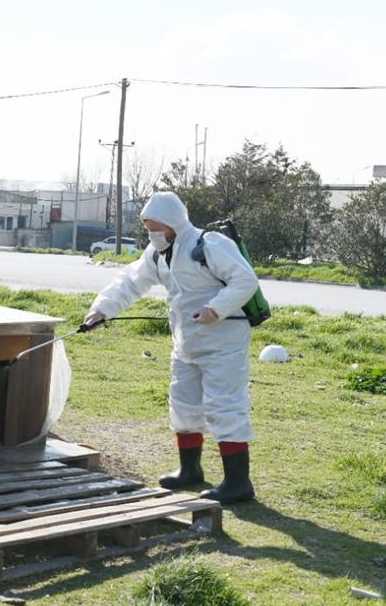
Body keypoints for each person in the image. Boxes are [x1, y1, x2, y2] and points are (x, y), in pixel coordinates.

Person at [84, 192, 260, 504]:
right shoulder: (157, 253)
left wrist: (215, 309)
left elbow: (245, 281)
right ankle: (189, 470)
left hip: (223, 342)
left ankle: (238, 482)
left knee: (225, 406)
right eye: (148, 228)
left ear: (173, 224)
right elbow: (129, 282)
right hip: (186, 342)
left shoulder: (211, 245)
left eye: (156, 228)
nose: (152, 234)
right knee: (183, 405)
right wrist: (102, 310)